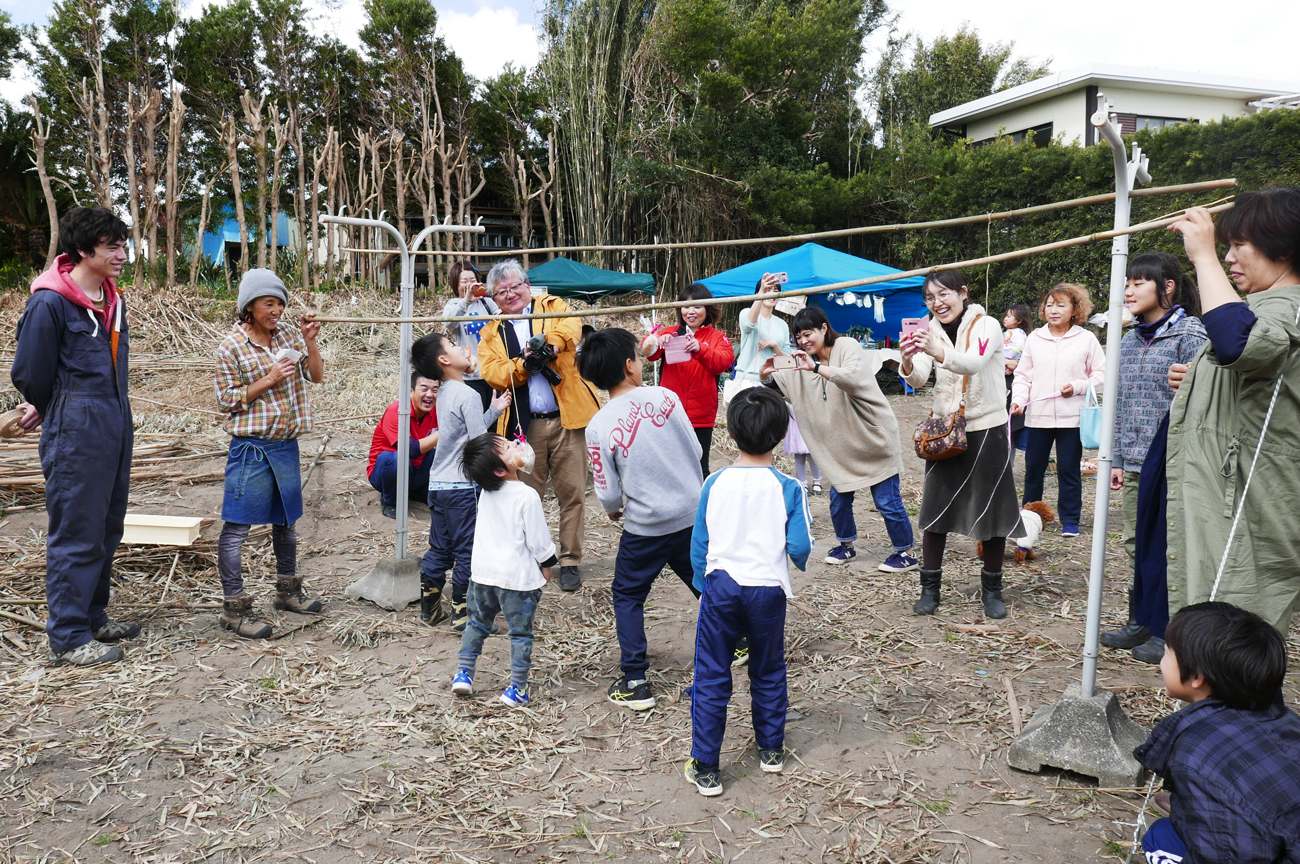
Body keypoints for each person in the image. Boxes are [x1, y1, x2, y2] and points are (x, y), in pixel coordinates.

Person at [1165, 190, 1300, 635]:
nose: (1228, 257)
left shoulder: (1290, 304)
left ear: (1283, 246)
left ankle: (1231, 707)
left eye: (1239, 245)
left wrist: (1202, 256)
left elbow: (1240, 343)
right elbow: (1253, 373)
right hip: (1227, 491)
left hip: (1247, 495)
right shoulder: (1263, 304)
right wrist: (1201, 382)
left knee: (1229, 628)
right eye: (1224, 247)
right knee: (1216, 620)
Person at [10, 207, 138, 666]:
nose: (122, 254)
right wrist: (55, 405)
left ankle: (93, 617)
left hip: (116, 417)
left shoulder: (112, 299)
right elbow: (30, 372)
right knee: (77, 530)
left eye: (123, 245)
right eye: (112, 246)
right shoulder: (50, 303)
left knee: (108, 523)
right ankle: (67, 636)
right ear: (84, 250)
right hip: (77, 424)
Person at [685, 387, 812, 797]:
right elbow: (800, 547)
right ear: (780, 437)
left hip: (721, 584)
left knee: (712, 673)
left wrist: (700, 584)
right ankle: (771, 749)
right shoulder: (788, 486)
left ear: (731, 436)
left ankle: (706, 765)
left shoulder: (714, 482)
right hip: (767, 589)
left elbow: (699, 543)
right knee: (769, 667)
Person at [578, 328, 706, 712]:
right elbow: (697, 447)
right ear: (631, 365)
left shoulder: (598, 425)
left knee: (629, 595)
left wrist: (613, 508)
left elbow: (607, 490)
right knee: (704, 581)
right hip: (691, 515)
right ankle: (738, 642)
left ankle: (635, 680)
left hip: (645, 527)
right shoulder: (665, 397)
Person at [1133, 601, 1300, 864]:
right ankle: (1195, 811)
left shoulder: (1196, 751)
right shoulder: (1286, 720)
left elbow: (1228, 855)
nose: (1162, 663)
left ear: (1197, 677)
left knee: (1159, 837)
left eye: (1166, 654)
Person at [1099, 253, 1205, 663]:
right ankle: (1140, 619)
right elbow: (1121, 404)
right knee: (1136, 541)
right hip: (1137, 460)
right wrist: (1119, 460)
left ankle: (1168, 630)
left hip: (1175, 462)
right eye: (1127, 283)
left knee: (1169, 546)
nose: (1128, 290)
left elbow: (1202, 401)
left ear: (1168, 287)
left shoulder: (1190, 335)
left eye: (1138, 283)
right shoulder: (1127, 339)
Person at [901, 271, 1023, 618]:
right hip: (944, 431)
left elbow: (972, 362)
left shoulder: (986, 326)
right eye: (929, 298)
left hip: (987, 427)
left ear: (962, 293)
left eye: (944, 294)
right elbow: (920, 376)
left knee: (994, 512)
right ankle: (930, 589)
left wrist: (936, 349)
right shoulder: (929, 329)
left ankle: (993, 590)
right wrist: (908, 358)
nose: (937, 303)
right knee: (935, 510)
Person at [213, 269, 326, 640]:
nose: (276, 310)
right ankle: (234, 609)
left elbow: (317, 376)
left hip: (285, 445)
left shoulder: (289, 335)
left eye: (280, 303)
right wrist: (270, 379)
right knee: (237, 529)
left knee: (286, 524)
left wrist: (310, 342)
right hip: (251, 449)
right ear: (249, 307)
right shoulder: (232, 347)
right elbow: (225, 400)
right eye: (268, 303)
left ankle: (287, 592)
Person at [760, 307, 917, 573]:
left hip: (872, 439)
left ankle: (906, 552)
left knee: (887, 501)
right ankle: (846, 545)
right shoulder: (803, 361)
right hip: (840, 448)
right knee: (839, 501)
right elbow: (780, 385)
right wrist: (766, 375)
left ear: (824, 328)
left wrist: (818, 367)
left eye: (808, 333)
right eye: (798, 337)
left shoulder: (846, 345)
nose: (803, 341)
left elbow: (854, 378)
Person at [477, 259, 600, 592]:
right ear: (494, 298)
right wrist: (523, 363)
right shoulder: (492, 331)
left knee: (572, 492)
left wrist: (552, 346)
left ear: (527, 286)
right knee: (526, 496)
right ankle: (536, 558)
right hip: (523, 427)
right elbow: (492, 372)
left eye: (516, 286)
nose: (511, 294)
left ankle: (571, 560)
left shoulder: (552, 306)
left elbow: (573, 328)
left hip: (566, 419)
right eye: (502, 291)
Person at [450, 433, 558, 708]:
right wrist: (548, 564)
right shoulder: (527, 496)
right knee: (520, 634)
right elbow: (537, 540)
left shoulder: (487, 492)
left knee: (476, 624)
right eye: (510, 447)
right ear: (500, 470)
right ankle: (517, 689)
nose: (518, 446)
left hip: (483, 576)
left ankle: (464, 673)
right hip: (516, 580)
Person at [411, 332, 510, 630]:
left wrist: (494, 409)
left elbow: (460, 432)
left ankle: (430, 609)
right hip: (461, 488)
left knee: (439, 547)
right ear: (444, 360)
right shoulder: (467, 394)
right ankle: (465, 616)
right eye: (454, 346)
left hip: (438, 485)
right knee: (468, 550)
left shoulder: (446, 394)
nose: (462, 348)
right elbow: (479, 441)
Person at [1011, 283, 1105, 537]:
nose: (1054, 310)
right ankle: (1029, 518)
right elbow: (1023, 376)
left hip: (1072, 419)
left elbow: (1101, 374)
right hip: (1037, 417)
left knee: (1069, 470)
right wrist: (1018, 400)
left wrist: (1076, 387)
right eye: (1049, 304)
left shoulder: (1086, 339)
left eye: (1061, 305)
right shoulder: (1034, 339)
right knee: (1033, 471)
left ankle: (1070, 520)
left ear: (1075, 310)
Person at [647, 283, 735, 478]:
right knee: (669, 467)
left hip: (701, 415)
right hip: (670, 414)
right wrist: (656, 342)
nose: (691, 311)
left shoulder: (718, 338)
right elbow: (648, 353)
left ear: (708, 308)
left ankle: (701, 508)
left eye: (697, 306)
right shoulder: (669, 333)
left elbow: (723, 362)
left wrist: (700, 349)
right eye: (686, 306)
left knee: (699, 468)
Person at [366, 371, 439, 519]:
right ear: (411, 391)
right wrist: (444, 432)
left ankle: (416, 492)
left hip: (417, 470)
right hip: (385, 472)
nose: (430, 395)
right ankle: (390, 501)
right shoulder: (397, 411)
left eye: (435, 390)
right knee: (396, 458)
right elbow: (410, 450)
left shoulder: (437, 411)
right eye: (424, 389)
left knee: (438, 454)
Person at [440, 260, 498, 410]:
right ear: (456, 284)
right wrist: (467, 301)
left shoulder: (487, 303)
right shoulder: (454, 305)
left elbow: (503, 318)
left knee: (495, 422)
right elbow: (448, 323)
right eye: (464, 281)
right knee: (477, 421)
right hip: (471, 375)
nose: (470, 285)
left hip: (494, 373)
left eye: (473, 280)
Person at [1001, 304, 1033, 452]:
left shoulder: (1019, 334)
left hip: (1013, 380)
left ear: (1019, 320)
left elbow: (1018, 349)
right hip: (1005, 371)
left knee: (1011, 428)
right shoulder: (1006, 333)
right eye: (1006, 315)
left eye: (1009, 316)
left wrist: (1004, 358)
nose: (1005, 318)